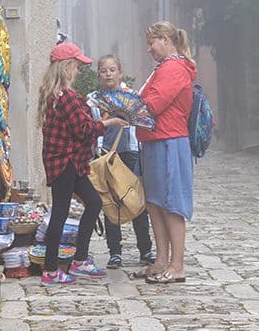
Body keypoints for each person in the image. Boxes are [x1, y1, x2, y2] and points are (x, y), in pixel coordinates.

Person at [38, 42, 128, 285]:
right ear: (67, 67)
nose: (79, 71)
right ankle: (50, 270)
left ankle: (79, 260)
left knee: (94, 201)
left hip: (70, 163)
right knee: (60, 213)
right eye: (77, 66)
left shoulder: (56, 95)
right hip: (64, 163)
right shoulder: (66, 97)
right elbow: (84, 130)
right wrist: (109, 123)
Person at [137, 21, 197, 284]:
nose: (149, 49)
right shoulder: (163, 68)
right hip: (155, 140)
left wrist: (127, 105)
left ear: (165, 39)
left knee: (171, 204)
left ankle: (177, 265)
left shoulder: (174, 68)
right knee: (155, 203)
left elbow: (154, 104)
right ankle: (161, 260)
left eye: (152, 42)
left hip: (169, 141)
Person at [88, 54, 155, 269]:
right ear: (98, 74)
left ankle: (145, 248)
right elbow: (94, 127)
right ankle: (115, 251)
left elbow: (141, 123)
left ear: (120, 72)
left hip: (131, 152)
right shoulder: (95, 100)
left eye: (112, 70)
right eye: (104, 70)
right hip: (107, 154)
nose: (108, 74)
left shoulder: (131, 96)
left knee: (135, 200)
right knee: (111, 202)